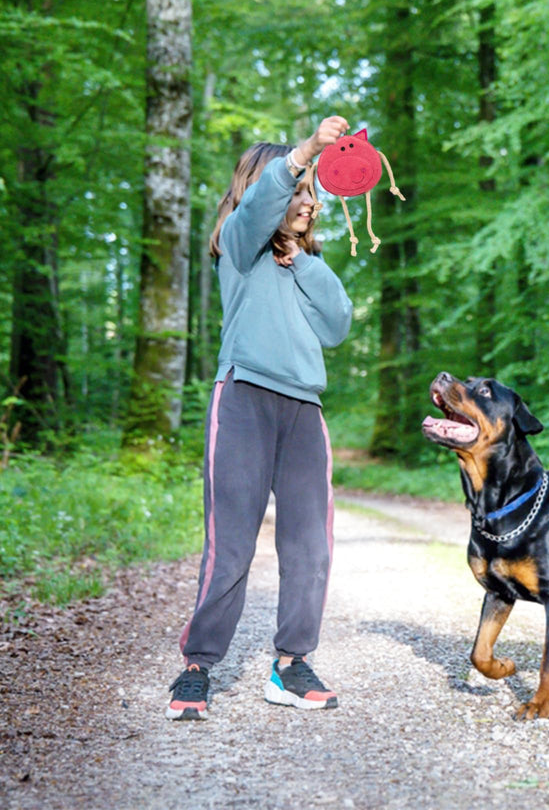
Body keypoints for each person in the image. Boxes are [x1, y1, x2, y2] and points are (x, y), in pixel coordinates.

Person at [166, 115, 353, 721]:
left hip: (304, 411)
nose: (308, 200)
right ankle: (198, 665)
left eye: (311, 194)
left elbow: (338, 324)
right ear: (266, 188)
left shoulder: (301, 266)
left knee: (310, 547)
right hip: (244, 399)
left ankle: (291, 664)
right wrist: (304, 154)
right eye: (298, 190)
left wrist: (301, 258)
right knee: (232, 545)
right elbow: (256, 212)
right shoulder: (239, 247)